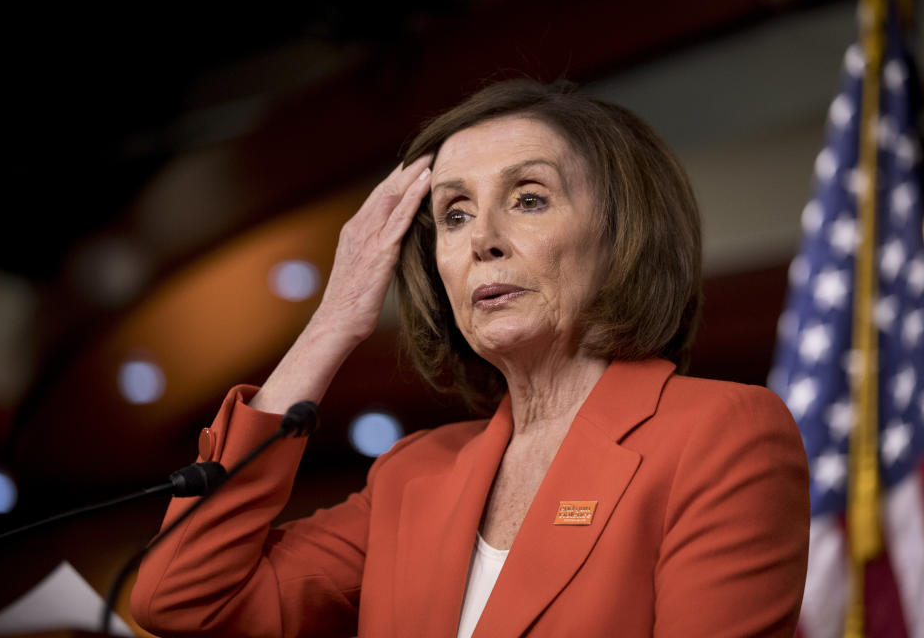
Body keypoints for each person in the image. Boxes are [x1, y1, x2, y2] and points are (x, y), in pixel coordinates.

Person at [130, 80, 809, 637]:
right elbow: (182, 598)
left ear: (622, 234)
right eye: (453, 214)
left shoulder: (721, 433)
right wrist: (331, 324)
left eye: (529, 199)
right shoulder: (411, 476)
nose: (482, 237)